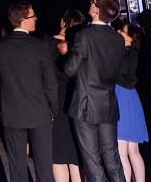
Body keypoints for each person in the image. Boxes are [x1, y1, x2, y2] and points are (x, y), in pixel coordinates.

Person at [61, 0, 126, 182]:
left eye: (92, 2)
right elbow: (119, 71)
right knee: (112, 158)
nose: (89, 3)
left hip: (86, 106)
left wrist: (66, 54)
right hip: (108, 104)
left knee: (92, 161)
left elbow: (69, 70)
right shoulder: (118, 39)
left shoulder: (84, 35)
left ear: (97, 9)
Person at [0, 1, 57, 182]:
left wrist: (1, 111)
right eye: (32, 15)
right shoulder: (40, 46)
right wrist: (53, 108)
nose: (36, 18)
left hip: (12, 115)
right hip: (40, 114)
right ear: (22, 20)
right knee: (44, 168)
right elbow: (50, 82)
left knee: (17, 167)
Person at [52, 10, 84, 182]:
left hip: (57, 105)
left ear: (64, 22)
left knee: (58, 156)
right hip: (78, 103)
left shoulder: (49, 44)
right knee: (77, 156)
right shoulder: (81, 45)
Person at [115, 21, 148, 182]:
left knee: (123, 151)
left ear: (131, 38)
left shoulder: (127, 54)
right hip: (130, 99)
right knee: (132, 150)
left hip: (122, 98)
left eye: (122, 31)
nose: (118, 31)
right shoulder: (132, 53)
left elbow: (120, 75)